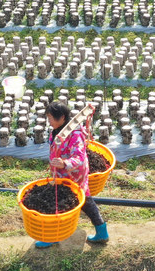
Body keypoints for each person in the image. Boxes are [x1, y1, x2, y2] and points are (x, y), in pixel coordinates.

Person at [35, 101, 109, 248]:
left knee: (60, 202)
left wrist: (64, 163)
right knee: (86, 201)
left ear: (62, 117)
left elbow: (80, 158)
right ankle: (102, 232)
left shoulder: (74, 134)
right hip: (62, 173)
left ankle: (54, 235)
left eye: (51, 118)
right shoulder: (59, 130)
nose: (48, 121)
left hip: (72, 174)